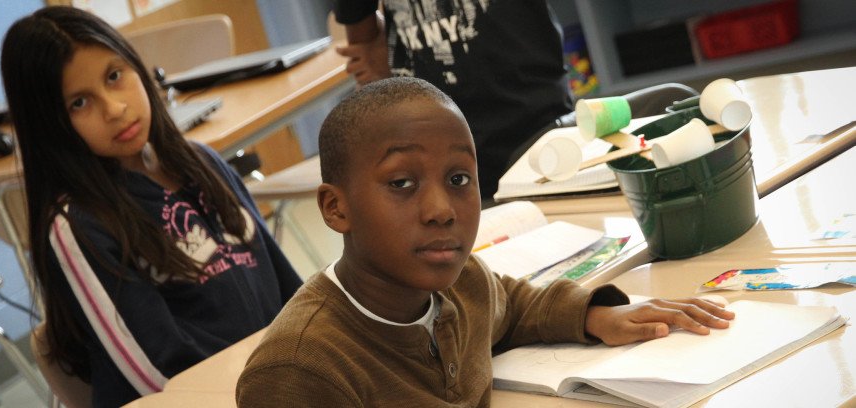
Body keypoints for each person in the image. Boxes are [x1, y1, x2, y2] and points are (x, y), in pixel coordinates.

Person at [235, 77, 733, 406]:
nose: (441, 210)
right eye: (401, 184)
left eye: (459, 179)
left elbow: (510, 305)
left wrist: (595, 315)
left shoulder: (462, 283)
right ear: (335, 208)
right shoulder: (298, 372)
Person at [0, 7, 303, 407]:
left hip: (272, 386)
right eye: (79, 103)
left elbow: (290, 293)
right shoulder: (78, 225)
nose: (114, 108)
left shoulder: (203, 162)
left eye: (114, 76)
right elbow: (155, 371)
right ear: (50, 125)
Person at [332, 1, 697, 199]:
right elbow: (359, 30)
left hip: (546, 136)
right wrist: (377, 54)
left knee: (679, 104)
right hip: (449, 165)